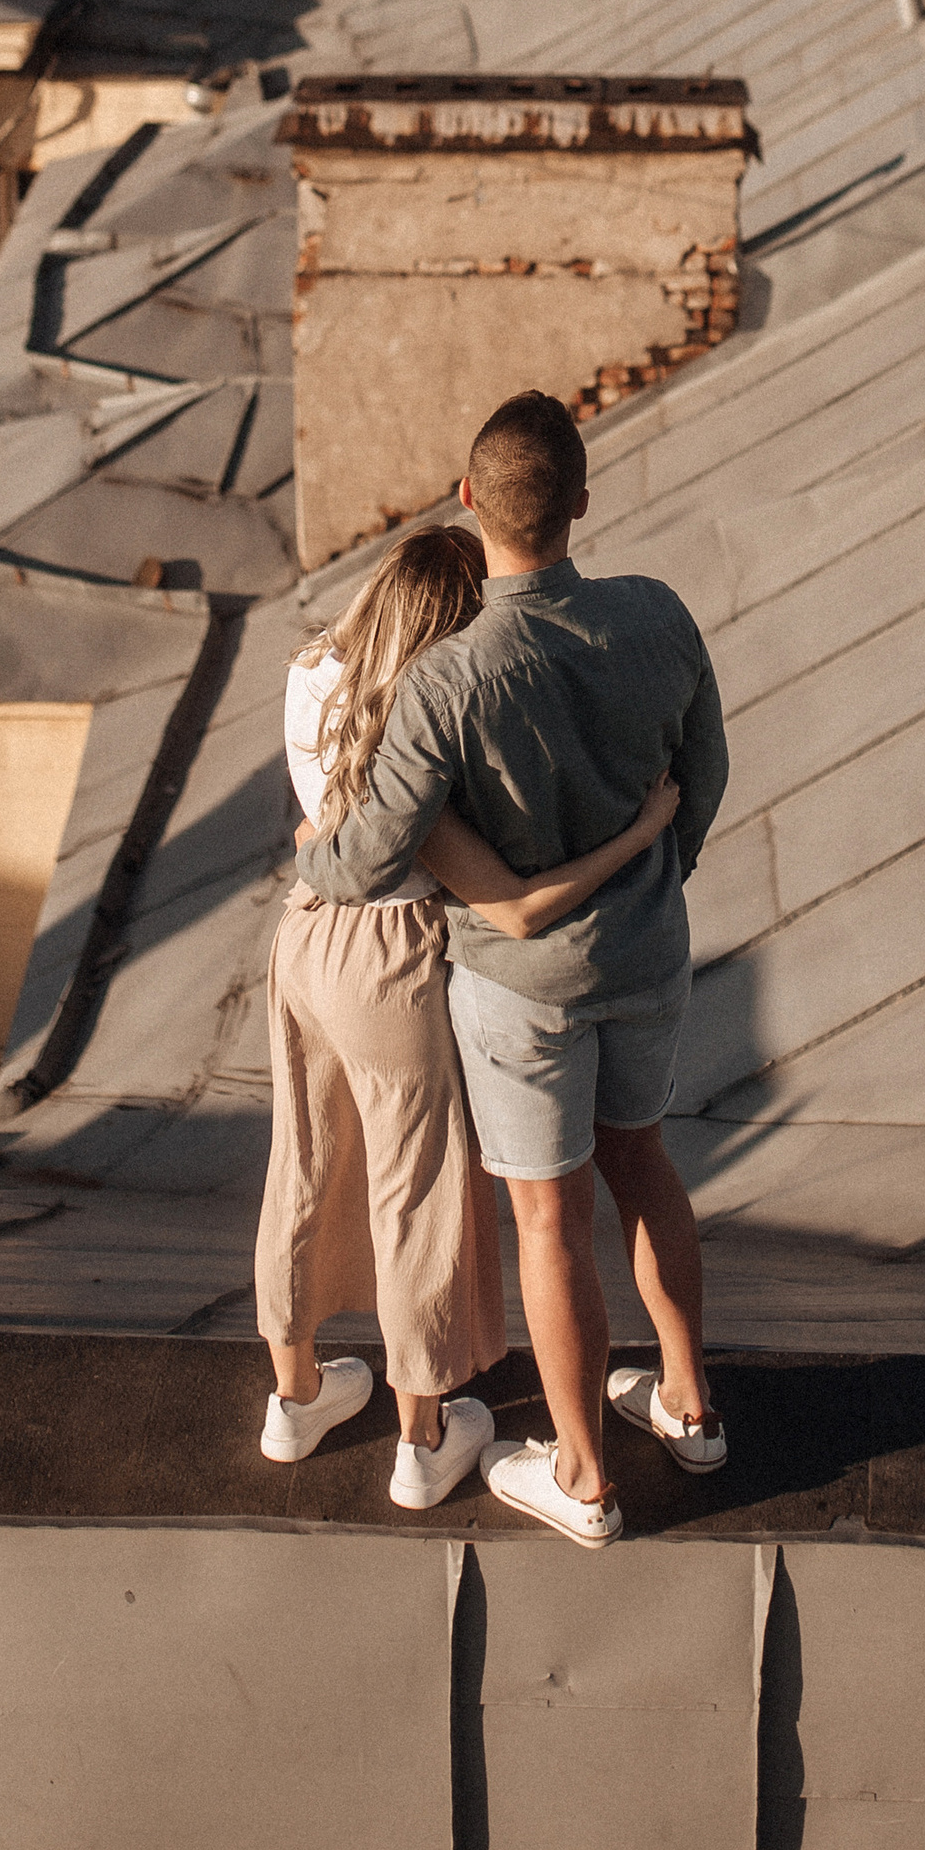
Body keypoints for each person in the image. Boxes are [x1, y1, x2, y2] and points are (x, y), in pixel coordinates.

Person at [296, 393, 729, 1548]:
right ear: (583, 500)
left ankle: (582, 1473)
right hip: (647, 955)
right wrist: (651, 882)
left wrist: (312, 852)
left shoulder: (446, 679)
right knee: (645, 1164)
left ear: (468, 498)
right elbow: (705, 775)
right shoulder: (656, 614)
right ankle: (688, 1406)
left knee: (549, 1218)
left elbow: (373, 851)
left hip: (520, 989)